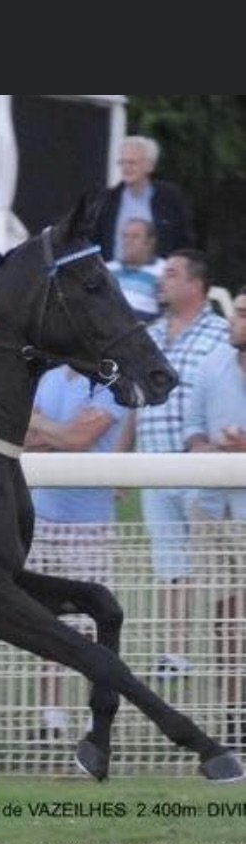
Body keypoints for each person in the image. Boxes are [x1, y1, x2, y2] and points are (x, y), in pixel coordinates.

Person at [128, 249, 230, 680]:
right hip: (154, 464)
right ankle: (176, 655)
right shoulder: (150, 334)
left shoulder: (223, 334)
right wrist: (122, 460)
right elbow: (135, 405)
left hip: (204, 467)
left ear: (196, 285)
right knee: (170, 565)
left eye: (171, 274)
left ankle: (229, 656)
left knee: (217, 569)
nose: (161, 280)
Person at [25, 365, 130, 739]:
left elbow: (79, 439)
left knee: (93, 624)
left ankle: (96, 717)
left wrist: (43, 424)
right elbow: (25, 438)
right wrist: (61, 432)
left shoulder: (108, 384)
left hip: (90, 523)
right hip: (42, 518)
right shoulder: (48, 377)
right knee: (43, 619)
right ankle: (51, 716)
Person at [185, 288, 246, 744]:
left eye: (242, 314)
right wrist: (207, 450)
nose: (234, 320)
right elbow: (192, 431)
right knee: (226, 617)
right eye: (237, 312)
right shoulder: (211, 364)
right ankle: (233, 714)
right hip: (211, 508)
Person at [94, 135, 194, 263]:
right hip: (113, 272)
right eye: (122, 163)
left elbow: (185, 240)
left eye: (132, 163)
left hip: (159, 273)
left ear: (150, 166)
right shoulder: (106, 200)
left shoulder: (170, 197)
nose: (126, 168)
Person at [107, 217, 166, 323]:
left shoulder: (164, 270)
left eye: (135, 237)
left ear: (150, 242)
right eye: (125, 236)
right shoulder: (108, 269)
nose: (127, 241)